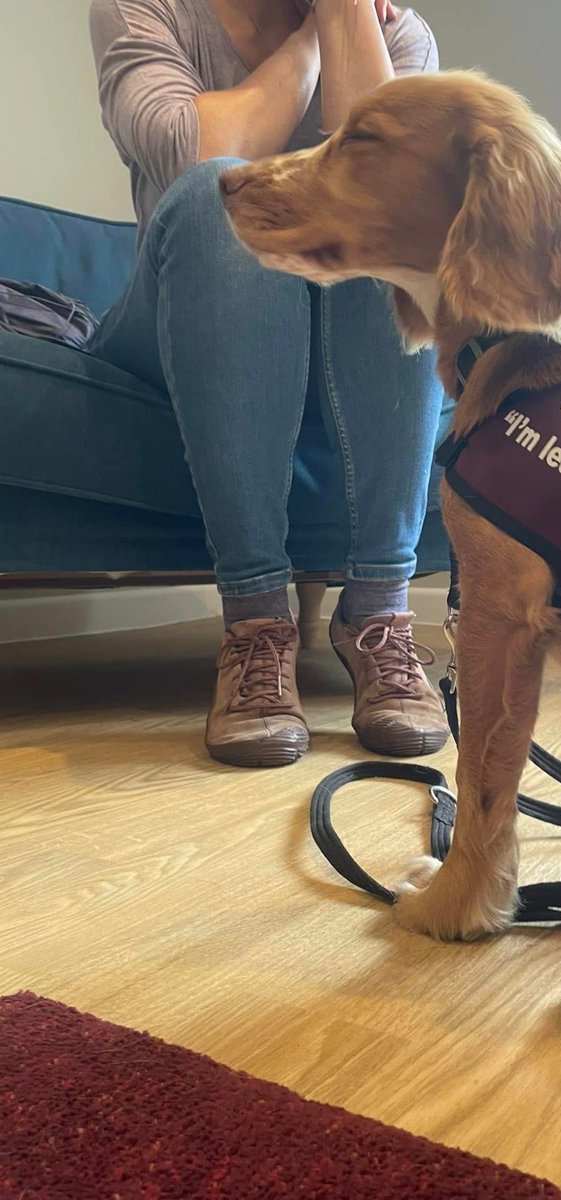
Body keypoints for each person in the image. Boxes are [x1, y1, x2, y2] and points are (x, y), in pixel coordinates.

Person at [88, 0, 450, 767]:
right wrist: (317, 35)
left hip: (348, 348)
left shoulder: (398, 34)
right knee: (227, 192)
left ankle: (379, 613)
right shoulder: (140, 10)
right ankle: (256, 621)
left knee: (386, 213)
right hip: (177, 329)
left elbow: (398, 189)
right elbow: (202, 154)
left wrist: (345, 14)